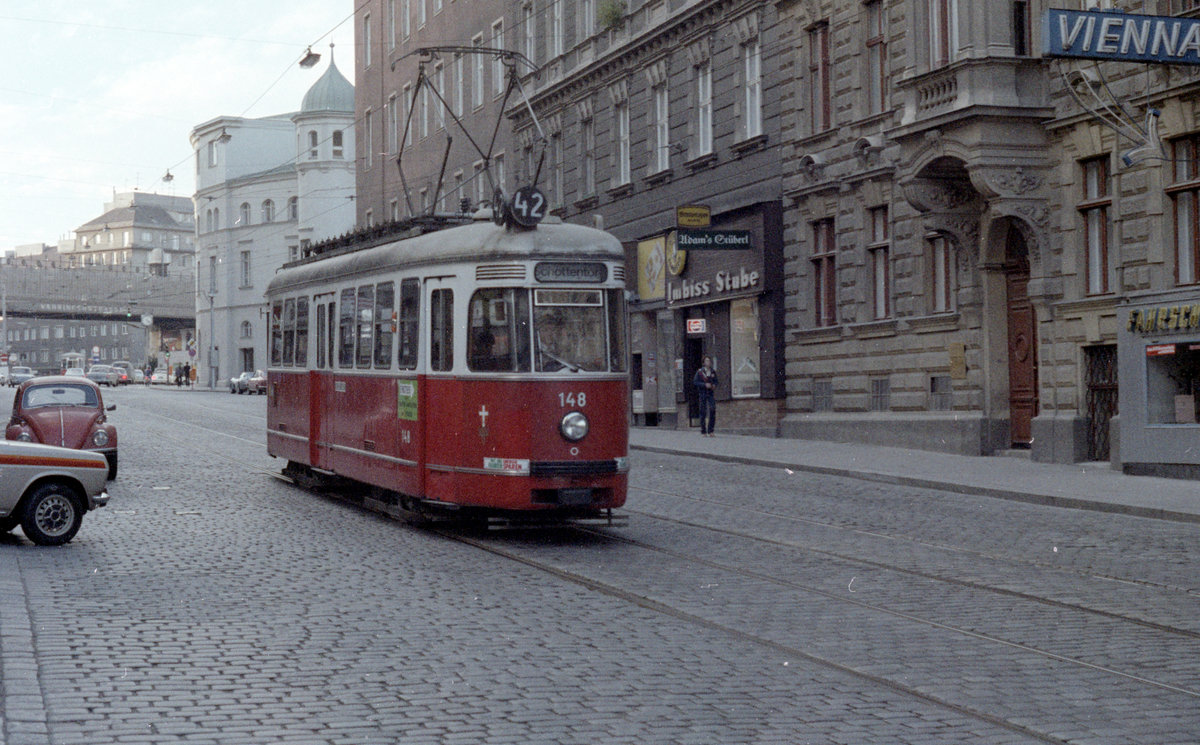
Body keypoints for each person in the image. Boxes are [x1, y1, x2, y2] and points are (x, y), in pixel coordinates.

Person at [693, 355, 718, 436]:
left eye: (709, 361)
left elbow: (716, 381)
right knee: (703, 411)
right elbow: (695, 382)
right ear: (704, 363)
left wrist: (714, 385)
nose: (708, 362)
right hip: (703, 393)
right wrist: (704, 385)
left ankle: (711, 430)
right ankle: (703, 430)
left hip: (710, 393)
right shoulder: (700, 372)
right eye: (706, 361)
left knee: (712, 409)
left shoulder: (713, 371)